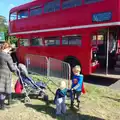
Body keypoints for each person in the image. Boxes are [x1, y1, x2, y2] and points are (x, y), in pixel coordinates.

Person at [0, 42, 16, 110]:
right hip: (6, 75)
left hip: (1, 73)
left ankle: (3, 104)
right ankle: (3, 106)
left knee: (1, 90)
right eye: (9, 48)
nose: (10, 50)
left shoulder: (0, 54)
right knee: (4, 91)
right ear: (7, 48)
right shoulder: (7, 56)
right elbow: (12, 68)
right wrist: (15, 67)